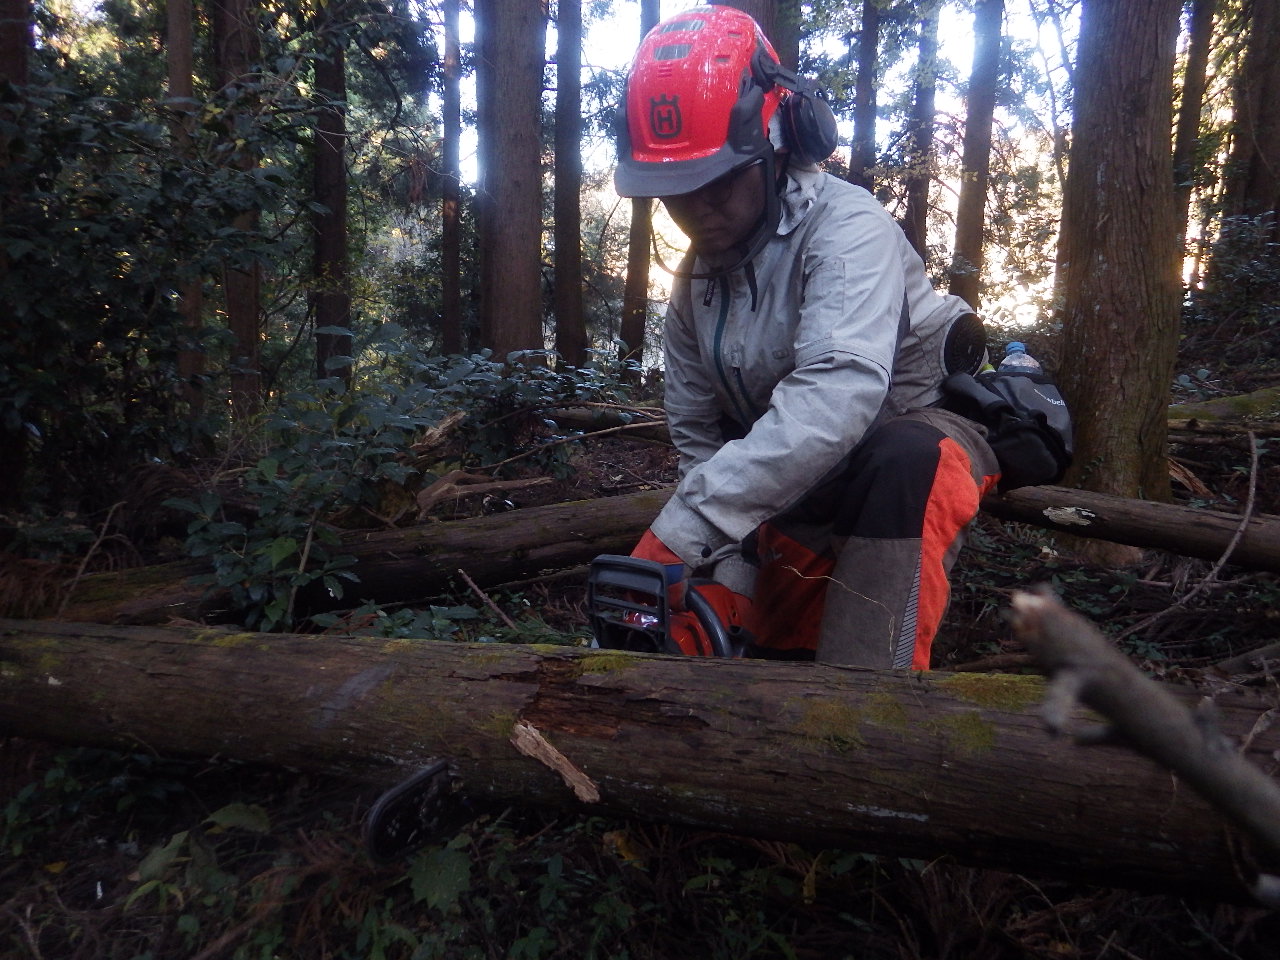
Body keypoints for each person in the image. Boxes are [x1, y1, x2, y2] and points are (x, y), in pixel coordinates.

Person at [612, 5, 1002, 670]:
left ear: (776, 145)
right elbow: (701, 445)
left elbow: (839, 395)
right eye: (677, 191)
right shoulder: (693, 285)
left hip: (918, 431)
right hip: (812, 468)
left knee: (908, 458)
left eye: (718, 182)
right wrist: (716, 576)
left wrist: (683, 531)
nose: (698, 209)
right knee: (741, 627)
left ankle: (864, 710)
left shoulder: (848, 230)